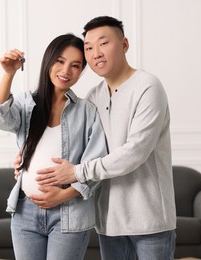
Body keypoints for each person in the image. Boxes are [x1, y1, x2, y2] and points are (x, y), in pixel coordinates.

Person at [30, 16, 177, 259]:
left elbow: (135, 152)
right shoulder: (92, 98)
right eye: (88, 48)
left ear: (124, 44)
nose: (95, 53)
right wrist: (27, 158)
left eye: (103, 43)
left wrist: (77, 172)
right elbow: (72, 145)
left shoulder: (148, 86)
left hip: (150, 222)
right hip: (109, 222)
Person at [0, 33, 107, 260]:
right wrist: (9, 73)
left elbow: (96, 164)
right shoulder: (25, 103)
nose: (66, 71)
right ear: (48, 61)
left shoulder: (87, 111)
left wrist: (63, 195)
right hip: (25, 213)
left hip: (69, 213)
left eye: (75, 66)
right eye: (60, 61)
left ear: (82, 71)